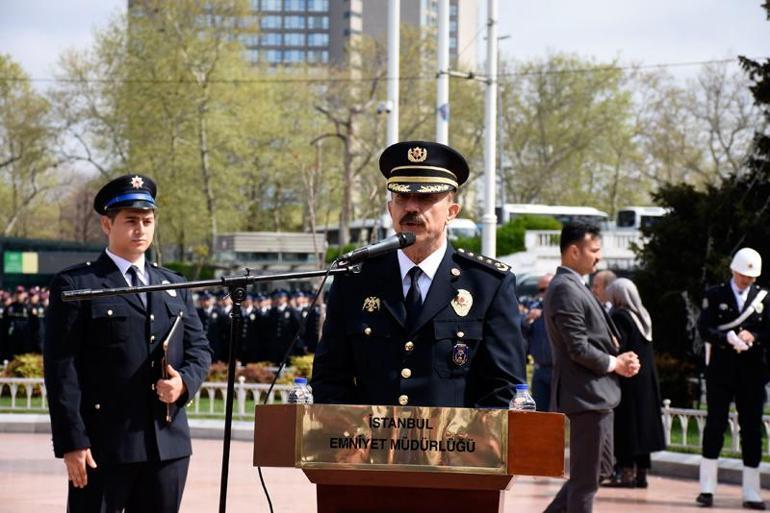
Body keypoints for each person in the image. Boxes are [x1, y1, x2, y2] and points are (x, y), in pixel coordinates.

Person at [311, 140, 526, 408]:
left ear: (451, 212)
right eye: (401, 197)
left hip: (455, 447)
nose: (411, 207)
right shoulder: (356, 279)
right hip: (370, 446)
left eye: (425, 197)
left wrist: (461, 445)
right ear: (391, 209)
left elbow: (504, 389)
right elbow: (329, 380)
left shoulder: (487, 284)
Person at [43, 174, 212, 513]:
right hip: (104, 446)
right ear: (107, 224)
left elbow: (199, 349)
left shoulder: (172, 283)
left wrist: (184, 384)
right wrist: (72, 441)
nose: (141, 229)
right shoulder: (79, 284)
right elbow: (62, 369)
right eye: (131, 221)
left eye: (147, 221)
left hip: (167, 446)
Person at [543, 221, 640, 513]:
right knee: (585, 483)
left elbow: (594, 337)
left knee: (598, 469)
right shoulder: (565, 289)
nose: (598, 257)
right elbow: (579, 348)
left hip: (597, 395)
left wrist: (619, 355)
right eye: (594, 250)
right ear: (574, 251)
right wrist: (616, 363)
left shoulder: (575, 285)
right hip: (586, 396)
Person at [696, 247, 770, 510]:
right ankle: (706, 489)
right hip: (722, 371)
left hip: (752, 373)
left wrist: (754, 337)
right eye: (741, 276)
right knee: (715, 426)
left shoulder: (764, 298)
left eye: (750, 278)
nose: (745, 281)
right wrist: (725, 338)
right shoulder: (715, 295)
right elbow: (704, 328)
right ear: (732, 271)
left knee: (752, 430)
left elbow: (767, 330)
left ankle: (752, 492)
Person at [602, 278, 665, 489]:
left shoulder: (621, 316)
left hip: (628, 379)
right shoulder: (643, 315)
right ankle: (642, 473)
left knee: (627, 425)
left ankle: (626, 473)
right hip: (646, 380)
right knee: (642, 426)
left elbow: (617, 346)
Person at [521, 273, 554, 411]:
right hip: (539, 369)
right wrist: (527, 320)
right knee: (540, 413)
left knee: (558, 413)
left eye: (545, 289)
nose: (542, 293)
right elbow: (522, 331)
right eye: (540, 290)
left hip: (557, 370)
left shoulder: (562, 306)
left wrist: (545, 313)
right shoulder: (535, 306)